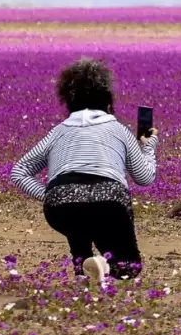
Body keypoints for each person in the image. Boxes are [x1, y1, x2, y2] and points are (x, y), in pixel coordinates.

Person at [10, 58, 158, 283]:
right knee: (129, 267)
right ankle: (106, 267)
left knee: (75, 214)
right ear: (107, 100)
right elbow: (144, 177)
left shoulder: (57, 132)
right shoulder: (119, 130)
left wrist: (50, 194)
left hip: (61, 204)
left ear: (68, 100)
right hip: (109, 201)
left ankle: (84, 266)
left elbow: (19, 171)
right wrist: (149, 146)